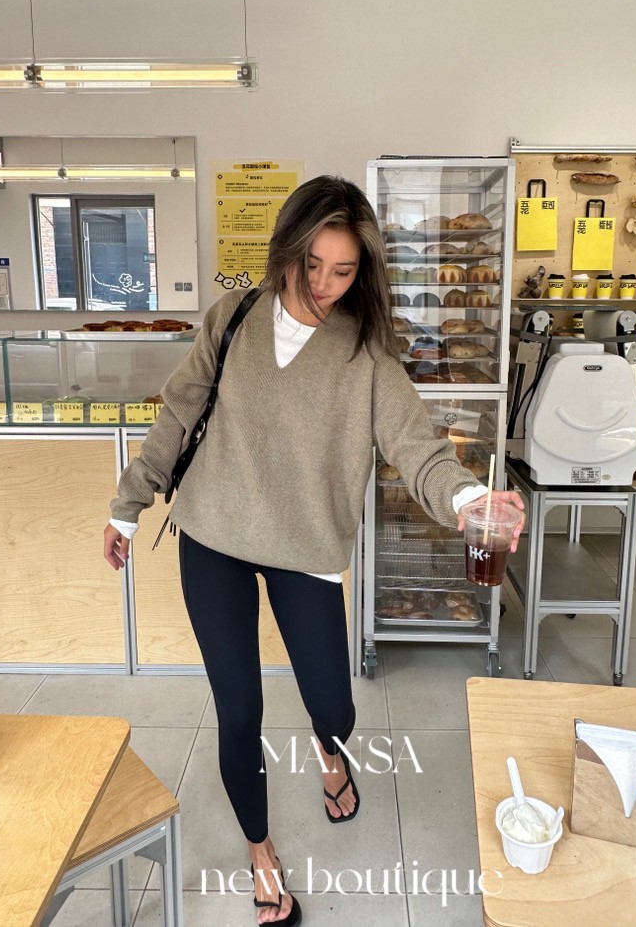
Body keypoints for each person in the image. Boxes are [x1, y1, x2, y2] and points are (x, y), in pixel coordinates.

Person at [103, 175, 524, 926]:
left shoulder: (365, 351)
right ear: (286, 250)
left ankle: (334, 757)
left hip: (305, 547)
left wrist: (467, 500)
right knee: (239, 710)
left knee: (333, 704)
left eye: (344, 270)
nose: (324, 284)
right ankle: (261, 856)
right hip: (213, 536)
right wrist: (129, 504)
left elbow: (417, 446)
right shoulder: (232, 316)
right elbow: (179, 412)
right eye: (312, 264)